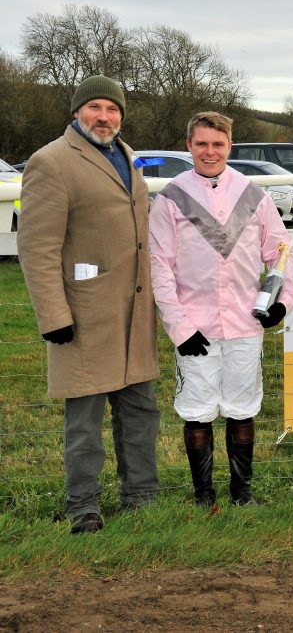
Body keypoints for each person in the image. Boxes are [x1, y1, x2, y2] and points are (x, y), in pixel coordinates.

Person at [17, 75, 160, 535]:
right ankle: (84, 507)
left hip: (134, 312)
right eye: (95, 107)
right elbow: (37, 247)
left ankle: (142, 498)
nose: (104, 116)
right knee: (85, 421)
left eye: (112, 109)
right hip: (83, 314)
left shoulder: (126, 155)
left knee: (140, 412)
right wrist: (54, 317)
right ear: (77, 111)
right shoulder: (51, 162)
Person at [149, 111, 293, 507]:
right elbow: (159, 267)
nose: (209, 151)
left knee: (242, 408)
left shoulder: (253, 194)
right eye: (201, 144)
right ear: (188, 146)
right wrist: (179, 327)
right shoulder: (170, 197)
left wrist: (281, 304)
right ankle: (203, 495)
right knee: (198, 413)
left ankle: (241, 494)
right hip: (195, 326)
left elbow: (280, 254)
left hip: (245, 323)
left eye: (217, 144)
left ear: (230, 146)